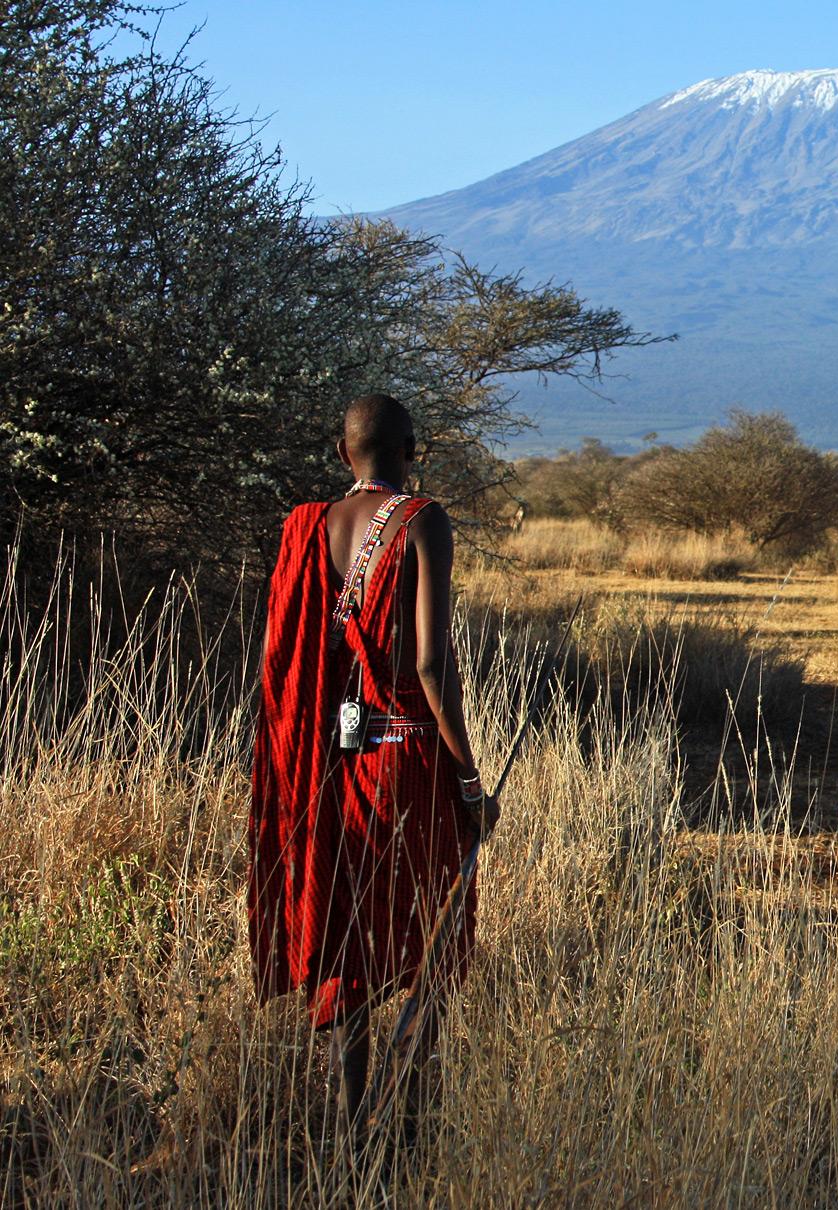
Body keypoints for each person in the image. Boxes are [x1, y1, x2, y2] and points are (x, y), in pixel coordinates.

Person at [247, 393, 500, 1134]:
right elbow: (429, 662)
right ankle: (409, 1121)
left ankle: (356, 1120)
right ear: (413, 449)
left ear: (341, 454)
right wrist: (468, 778)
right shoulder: (424, 520)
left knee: (351, 936)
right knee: (433, 932)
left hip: (337, 763)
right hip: (409, 759)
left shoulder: (312, 527)